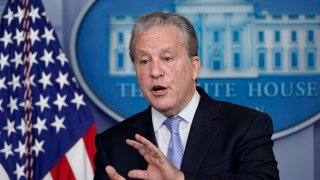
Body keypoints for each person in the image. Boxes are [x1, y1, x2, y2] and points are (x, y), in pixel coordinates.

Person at [94, 12, 279, 180]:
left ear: (194, 67)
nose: (155, 71)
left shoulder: (247, 125)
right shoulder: (111, 143)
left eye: (167, 58)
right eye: (144, 61)